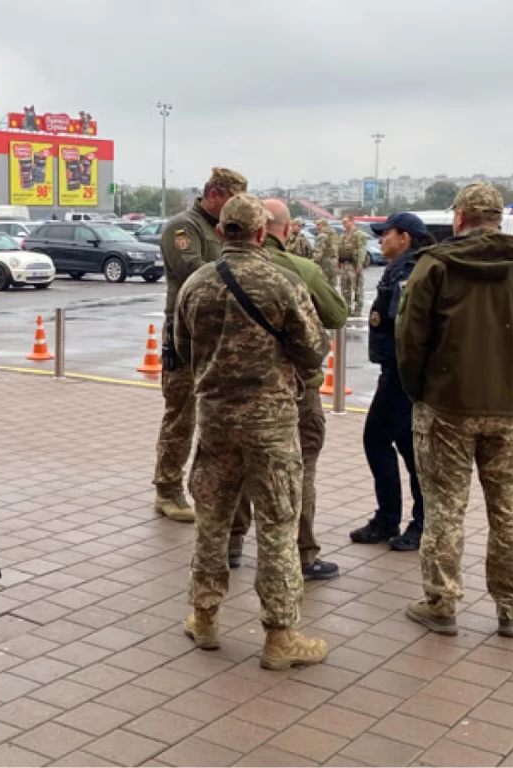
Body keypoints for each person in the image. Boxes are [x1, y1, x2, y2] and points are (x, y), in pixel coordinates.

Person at [396, 183, 513, 638]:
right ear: (498, 217)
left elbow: (409, 339)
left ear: (459, 218)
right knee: (509, 512)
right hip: (512, 410)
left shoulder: (435, 266)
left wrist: (422, 390)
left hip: (447, 408)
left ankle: (442, 603)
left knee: (444, 510)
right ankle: (512, 609)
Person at [175, 193, 329, 669]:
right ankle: (280, 635)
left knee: (213, 520)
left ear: (222, 232)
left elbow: (183, 349)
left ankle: (204, 617)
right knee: (278, 524)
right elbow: (314, 349)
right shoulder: (283, 283)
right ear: (263, 233)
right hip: (271, 426)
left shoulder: (196, 285)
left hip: (216, 420)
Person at [228, 199, 347, 580]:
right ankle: (304, 552)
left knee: (238, 466)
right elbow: (337, 315)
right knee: (300, 468)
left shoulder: (216, 271)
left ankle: (231, 544)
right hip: (294, 389)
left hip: (234, 390)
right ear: (283, 228)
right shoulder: (303, 270)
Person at [152, 167, 246, 523]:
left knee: (218, 415)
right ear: (216, 194)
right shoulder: (183, 227)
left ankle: (206, 489)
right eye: (233, 200)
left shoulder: (224, 229)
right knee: (181, 415)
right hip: (185, 333)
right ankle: (167, 488)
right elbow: (194, 268)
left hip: (220, 333)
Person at [350, 212, 431, 552]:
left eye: (387, 234)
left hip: (401, 374)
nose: (381, 240)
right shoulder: (407, 267)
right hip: (402, 373)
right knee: (409, 449)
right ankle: (415, 521)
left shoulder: (409, 272)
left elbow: (405, 327)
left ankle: (393, 519)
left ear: (405, 238)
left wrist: (400, 375)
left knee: (376, 439)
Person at [338, 215, 370, 316]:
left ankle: (357, 309)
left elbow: (362, 249)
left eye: (346, 222)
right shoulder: (343, 235)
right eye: (343, 222)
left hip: (354, 263)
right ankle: (347, 309)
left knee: (357, 287)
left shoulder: (358, 234)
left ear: (352, 221)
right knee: (345, 287)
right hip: (345, 264)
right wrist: (339, 261)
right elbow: (340, 248)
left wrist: (360, 263)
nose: (344, 224)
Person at [311, 218, 339, 291]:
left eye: (318, 225)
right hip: (334, 261)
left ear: (323, 225)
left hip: (325, 262)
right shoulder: (334, 234)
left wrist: (313, 262)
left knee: (324, 284)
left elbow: (319, 251)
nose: (316, 227)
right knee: (332, 284)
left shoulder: (322, 235)